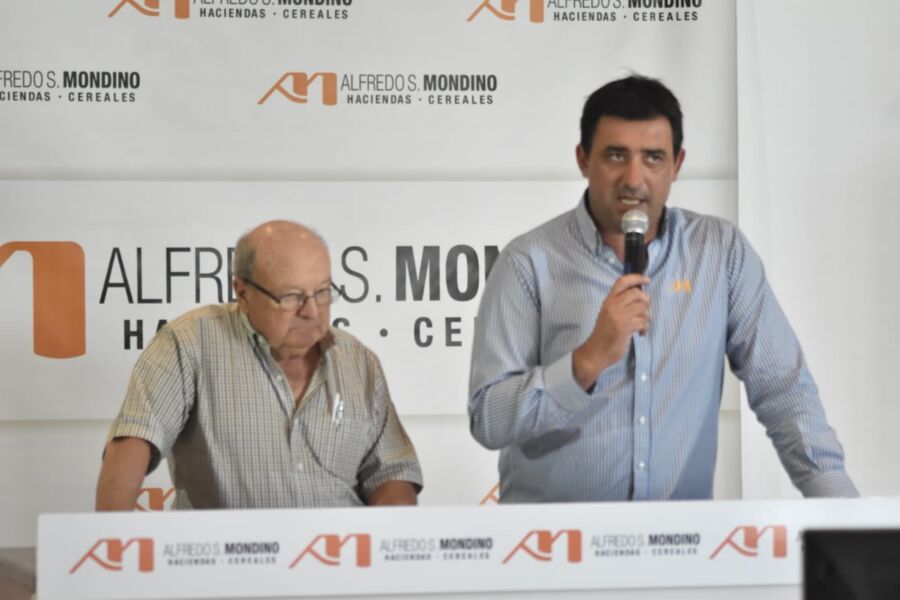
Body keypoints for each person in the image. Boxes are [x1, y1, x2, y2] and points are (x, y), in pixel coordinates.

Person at [468, 75, 857, 502]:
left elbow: (783, 390)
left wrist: (843, 514)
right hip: (555, 538)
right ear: (583, 159)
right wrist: (588, 360)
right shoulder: (528, 261)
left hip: (680, 539)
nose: (634, 179)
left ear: (677, 164)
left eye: (653, 158)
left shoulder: (719, 252)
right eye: (616, 155)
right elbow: (489, 418)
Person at [96, 220, 422, 510]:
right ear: (243, 293)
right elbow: (134, 442)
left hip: (341, 553)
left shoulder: (358, 361)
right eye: (291, 296)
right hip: (224, 556)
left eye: (322, 292)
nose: (311, 311)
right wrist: (113, 542)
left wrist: (390, 545)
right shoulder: (190, 343)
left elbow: (390, 475)